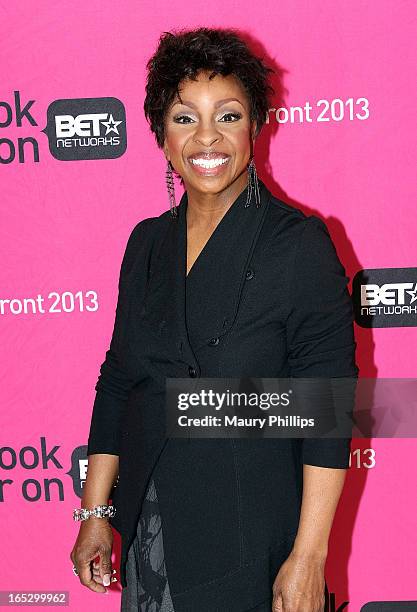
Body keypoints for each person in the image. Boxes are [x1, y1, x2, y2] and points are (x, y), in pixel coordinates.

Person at [70, 27, 358, 612]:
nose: (207, 137)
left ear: (255, 124)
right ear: (161, 133)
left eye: (227, 115)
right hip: (153, 526)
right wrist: (97, 513)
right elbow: (119, 379)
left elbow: (328, 408)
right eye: (184, 118)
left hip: (251, 534)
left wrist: (309, 556)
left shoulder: (298, 244)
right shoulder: (146, 244)